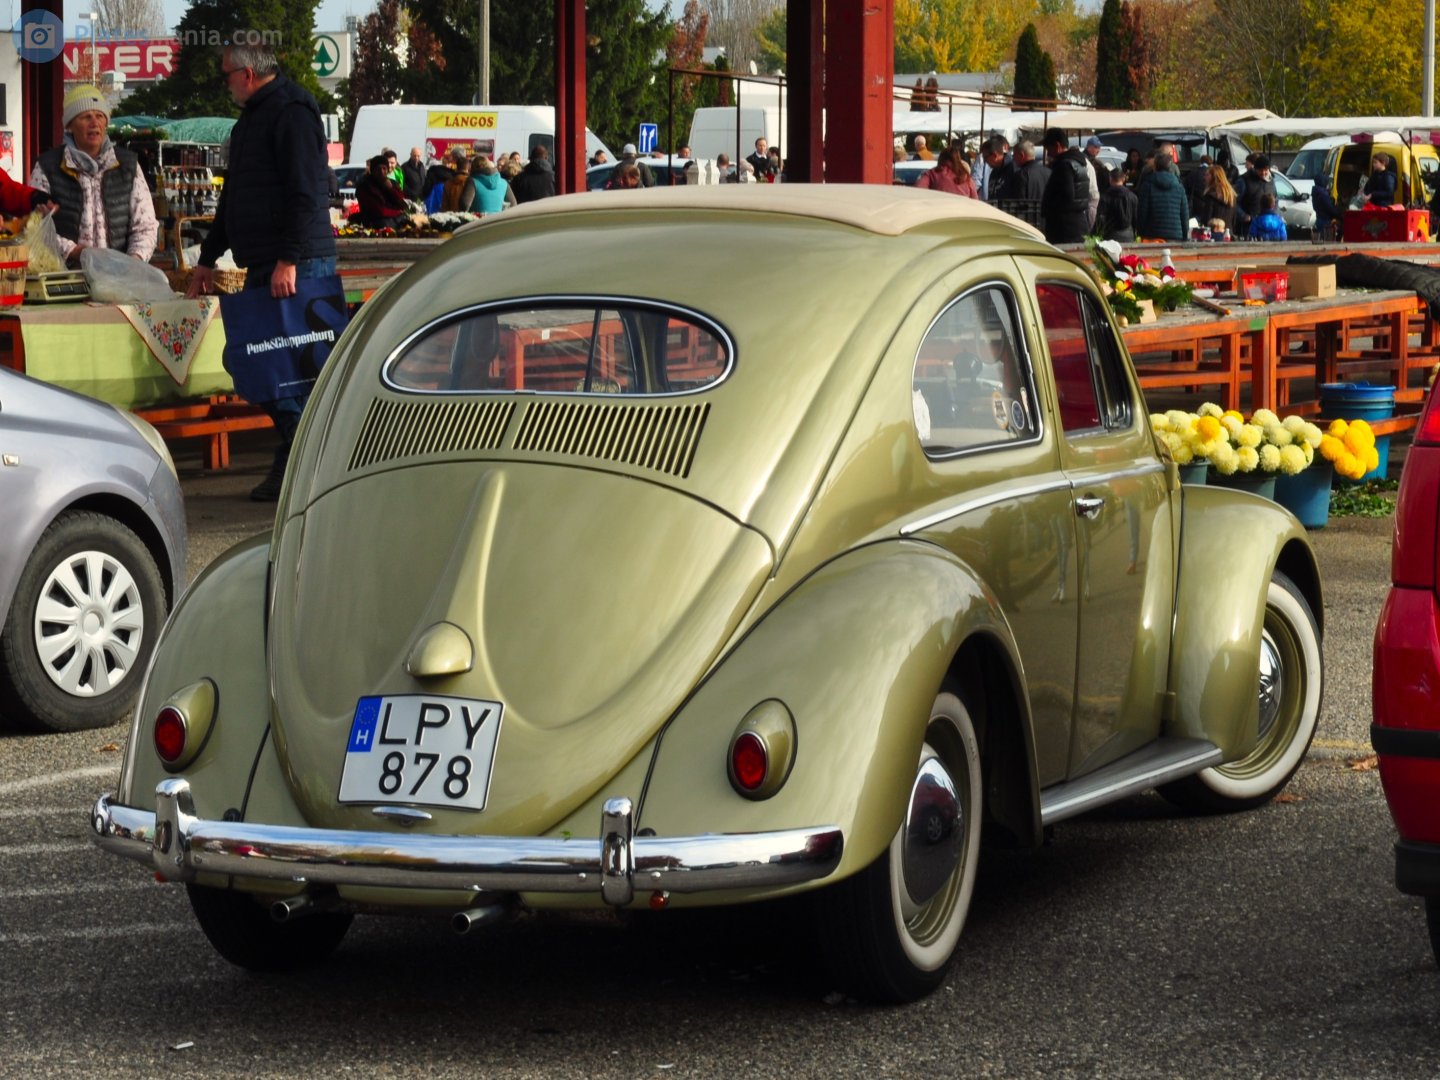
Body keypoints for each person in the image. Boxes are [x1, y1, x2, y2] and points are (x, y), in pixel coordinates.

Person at [187, 44, 337, 502]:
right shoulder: (252, 119)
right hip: (269, 260)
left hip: (295, 262)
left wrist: (289, 259)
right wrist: (207, 261)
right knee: (254, 360)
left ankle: (302, 458)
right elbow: (234, 200)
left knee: (292, 366)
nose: (225, 84)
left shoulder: (290, 113)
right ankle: (301, 454)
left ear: (248, 73)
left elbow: (306, 190)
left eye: (227, 76)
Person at [30, 83, 157, 267]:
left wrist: (133, 263)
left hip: (119, 279)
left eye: (100, 116)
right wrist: (76, 252)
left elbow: (146, 226)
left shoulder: (128, 165)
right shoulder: (47, 167)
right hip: (66, 276)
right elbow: (35, 226)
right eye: (85, 117)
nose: (94, 123)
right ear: (70, 125)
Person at [1040, 127, 1091, 244]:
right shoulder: (1080, 163)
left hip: (1064, 229)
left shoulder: (1064, 166)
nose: (1048, 153)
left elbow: (1066, 197)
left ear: (1057, 146)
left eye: (1048, 148)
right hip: (1079, 224)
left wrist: (1048, 207)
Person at [1135, 150, 1189, 240]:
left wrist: (1140, 233)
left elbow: (1142, 213)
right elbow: (1184, 214)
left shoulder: (1147, 185)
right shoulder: (1179, 187)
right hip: (1175, 234)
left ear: (1155, 166)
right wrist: (1185, 235)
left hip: (1152, 235)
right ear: (1169, 167)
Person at [352, 154, 407, 226]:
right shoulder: (365, 186)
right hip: (374, 222)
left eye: (384, 168)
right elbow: (378, 210)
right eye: (378, 169)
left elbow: (402, 203)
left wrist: (391, 189)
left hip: (393, 220)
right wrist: (398, 212)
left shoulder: (392, 183)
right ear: (372, 170)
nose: (381, 172)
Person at [1191, 164, 1237, 235]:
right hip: (1228, 232)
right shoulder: (1231, 195)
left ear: (1214, 177)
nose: (1204, 177)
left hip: (1214, 232)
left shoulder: (1211, 195)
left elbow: (1207, 217)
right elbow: (1234, 218)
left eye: (1207, 175)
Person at [1095, 168, 1138, 241]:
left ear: (1110, 179)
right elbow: (1135, 218)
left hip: (1110, 234)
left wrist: (1097, 233)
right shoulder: (1133, 197)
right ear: (1123, 179)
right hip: (1128, 234)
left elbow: (1100, 218)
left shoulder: (1105, 196)